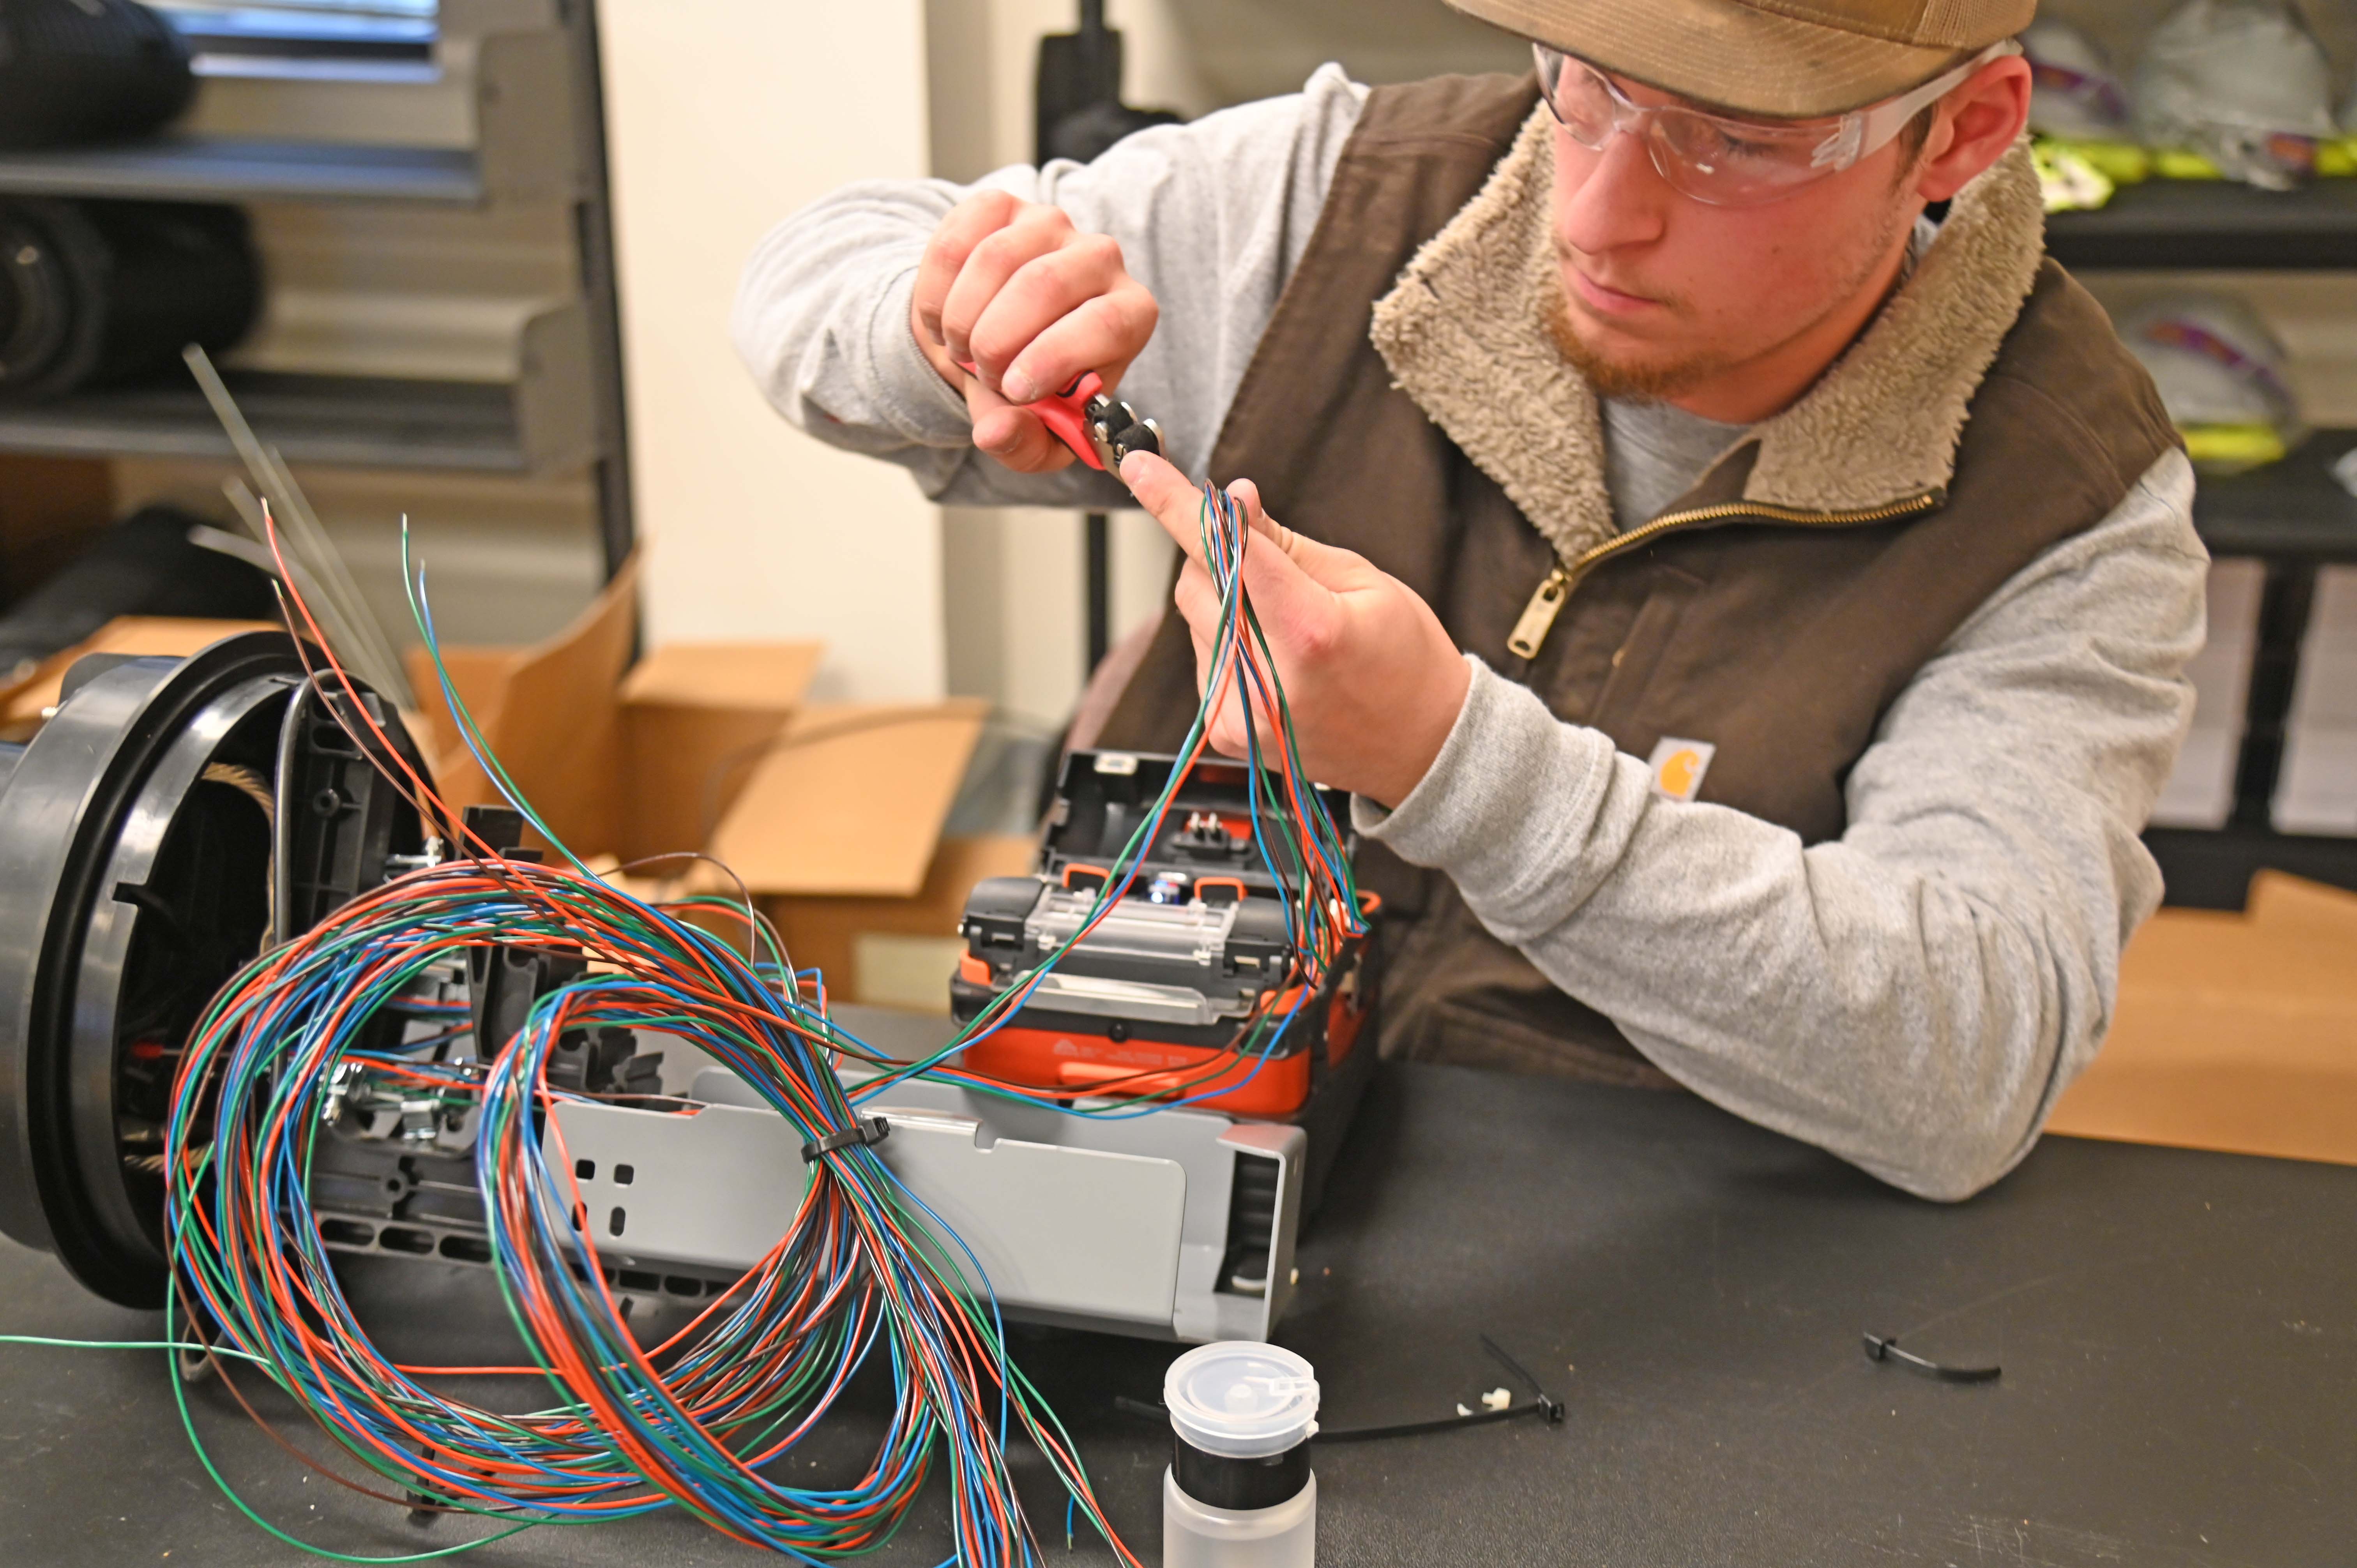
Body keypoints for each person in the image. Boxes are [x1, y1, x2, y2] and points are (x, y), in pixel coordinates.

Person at [731, 0, 2205, 1202]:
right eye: (1591, 87)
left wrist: (1452, 761)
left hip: (1638, 1275)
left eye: (1733, 143)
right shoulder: (1350, 199)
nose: (1601, 212)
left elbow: (1965, 1065)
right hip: (1146, 1128)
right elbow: (809, 272)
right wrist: (938, 326)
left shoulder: (2070, 496)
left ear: (1965, 131)